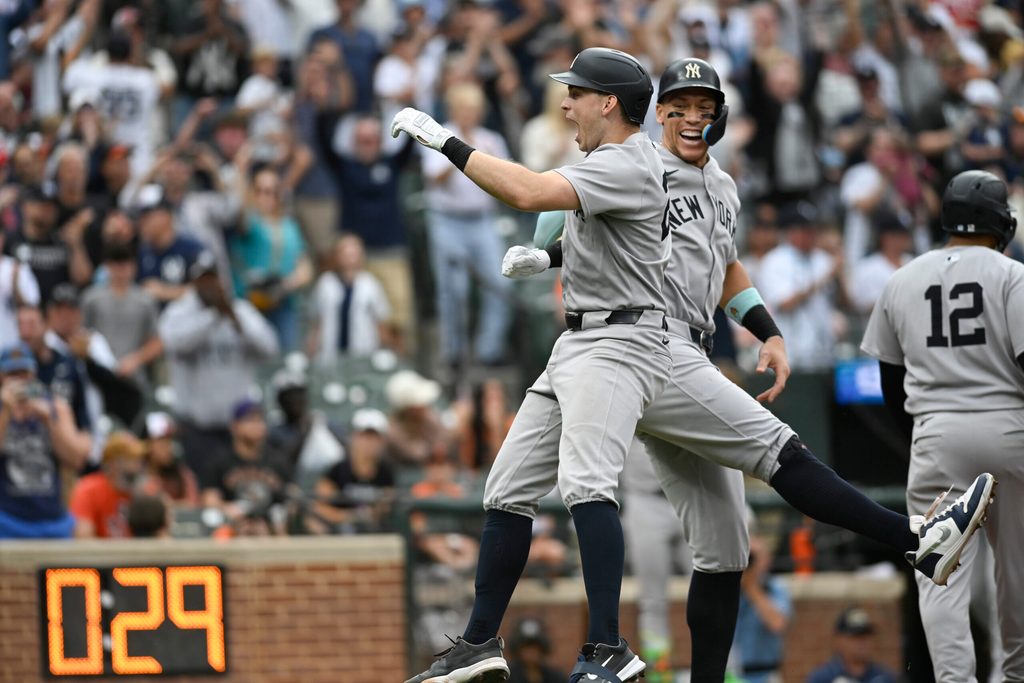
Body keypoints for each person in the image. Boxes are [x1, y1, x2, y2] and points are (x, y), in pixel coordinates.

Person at [502, 58, 997, 683]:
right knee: (775, 454)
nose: (690, 118)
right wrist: (545, 254)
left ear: (719, 118)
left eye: (703, 109)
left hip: (692, 347)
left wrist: (768, 331)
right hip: (643, 345)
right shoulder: (636, 164)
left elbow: (727, 267)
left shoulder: (724, 188)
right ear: (656, 113)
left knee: (725, 546)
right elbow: (564, 208)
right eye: (678, 107)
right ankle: (913, 538)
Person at [398, 47, 673, 683]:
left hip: (618, 341)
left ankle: (608, 645)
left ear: (608, 102)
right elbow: (605, 242)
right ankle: (478, 642)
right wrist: (549, 263)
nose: (565, 102)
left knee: (586, 486)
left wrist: (447, 143)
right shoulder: (606, 162)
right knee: (508, 487)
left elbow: (525, 191)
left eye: (576, 92)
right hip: (581, 337)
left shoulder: (626, 159)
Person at [861, 169, 1020, 682]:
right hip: (1008, 426)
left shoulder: (902, 277)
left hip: (936, 430)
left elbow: (889, 379)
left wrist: (920, 438)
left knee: (939, 574)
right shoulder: (1012, 274)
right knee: (1016, 575)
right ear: (1001, 222)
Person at [158, 251, 279, 483]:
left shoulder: (240, 310)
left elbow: (270, 348)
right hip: (196, 429)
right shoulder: (180, 311)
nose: (210, 285)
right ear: (194, 282)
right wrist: (213, 316)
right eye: (204, 279)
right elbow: (175, 343)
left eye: (214, 278)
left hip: (236, 431)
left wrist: (233, 316)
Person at [0, 342, 90, 538]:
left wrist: (49, 420)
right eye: (12, 374)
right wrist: (6, 413)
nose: (19, 381)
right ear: (2, 377)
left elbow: (75, 460)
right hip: (7, 520)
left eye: (24, 373)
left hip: (52, 520)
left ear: (33, 374)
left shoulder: (56, 407)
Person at [201, 399, 292, 537]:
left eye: (260, 420)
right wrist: (227, 510)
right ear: (234, 426)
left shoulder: (278, 461)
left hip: (268, 531)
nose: (257, 425)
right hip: (232, 530)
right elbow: (209, 500)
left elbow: (290, 500)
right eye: (250, 420)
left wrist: (275, 526)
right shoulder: (220, 461)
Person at [307, 232, 394, 365]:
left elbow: (381, 323)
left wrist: (389, 350)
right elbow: (317, 321)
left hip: (363, 355)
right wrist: (311, 350)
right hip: (330, 356)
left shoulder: (370, 284)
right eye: (345, 253)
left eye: (354, 254)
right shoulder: (325, 283)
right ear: (337, 255)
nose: (350, 258)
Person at [732, 533, 790, 683]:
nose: (748, 562)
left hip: (765, 674)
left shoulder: (775, 587)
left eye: (752, 557)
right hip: (732, 674)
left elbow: (777, 623)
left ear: (766, 560)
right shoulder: (729, 590)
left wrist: (752, 588)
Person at [69, 430, 147, 538]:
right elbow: (83, 537)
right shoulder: (89, 490)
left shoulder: (143, 493)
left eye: (139, 460)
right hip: (102, 554)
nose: (137, 467)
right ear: (112, 463)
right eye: (130, 459)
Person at [805, 606, 898, 683]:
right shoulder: (823, 678)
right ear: (839, 640)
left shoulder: (884, 678)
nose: (862, 642)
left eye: (866, 636)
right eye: (855, 637)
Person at [506, 617, 564, 683]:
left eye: (535, 647)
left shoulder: (555, 678)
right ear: (517, 650)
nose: (531, 652)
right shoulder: (506, 677)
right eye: (526, 647)